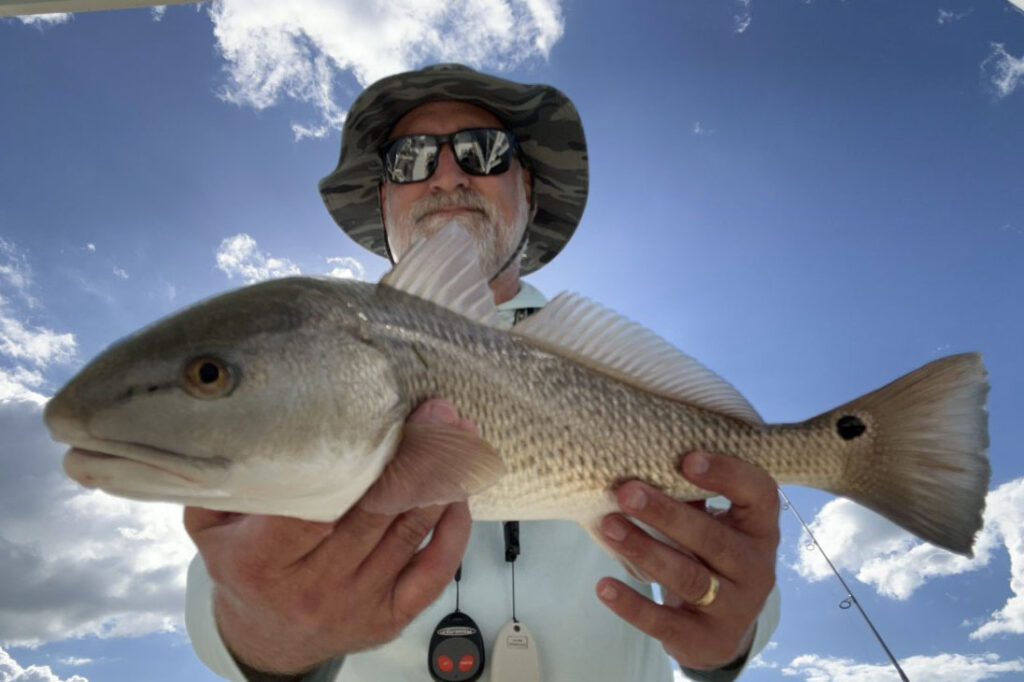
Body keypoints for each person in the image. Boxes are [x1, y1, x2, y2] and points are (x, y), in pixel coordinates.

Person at [183, 64, 781, 682]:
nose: (448, 175)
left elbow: (738, 576)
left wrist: (728, 629)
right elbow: (218, 592)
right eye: (410, 159)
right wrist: (262, 635)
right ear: (383, 197)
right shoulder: (310, 359)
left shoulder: (635, 383)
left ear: (528, 187)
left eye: (484, 151)